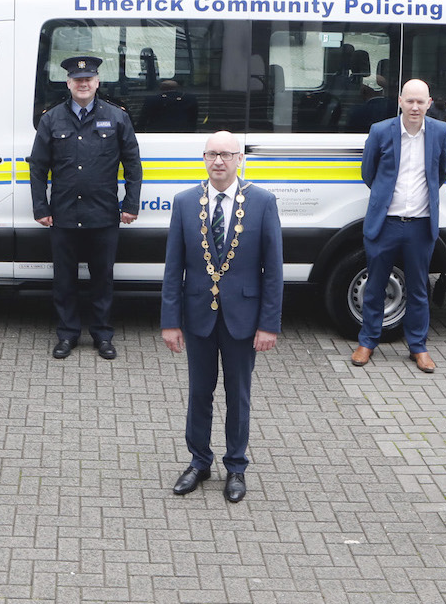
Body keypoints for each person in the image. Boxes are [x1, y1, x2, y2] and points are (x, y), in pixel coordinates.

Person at [160, 131, 283, 503]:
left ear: (240, 159)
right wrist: (170, 320)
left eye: (226, 155)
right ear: (203, 158)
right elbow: (173, 267)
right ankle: (199, 462)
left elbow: (273, 270)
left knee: (238, 395)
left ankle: (236, 466)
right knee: (199, 392)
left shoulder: (262, 202)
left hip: (243, 319)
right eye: (212, 154)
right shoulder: (184, 202)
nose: (219, 162)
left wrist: (268, 324)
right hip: (198, 315)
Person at [28, 55, 143, 361]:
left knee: (102, 279)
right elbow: (38, 167)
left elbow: (133, 163)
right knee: (64, 280)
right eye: (77, 80)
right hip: (63, 214)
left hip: (103, 214)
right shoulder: (51, 119)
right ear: (68, 84)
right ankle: (67, 335)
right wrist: (41, 207)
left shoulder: (117, 118)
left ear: (97, 82)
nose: (83, 84)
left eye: (88, 79)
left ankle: (102, 335)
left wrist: (131, 204)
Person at [353, 78, 446, 372]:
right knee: (375, 286)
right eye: (410, 101)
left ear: (429, 104)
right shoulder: (381, 131)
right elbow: (368, 172)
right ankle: (367, 341)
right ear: (399, 101)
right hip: (385, 224)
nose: (415, 107)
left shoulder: (440, 131)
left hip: (421, 225)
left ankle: (418, 347)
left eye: (421, 102)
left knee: (420, 288)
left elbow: (441, 173)